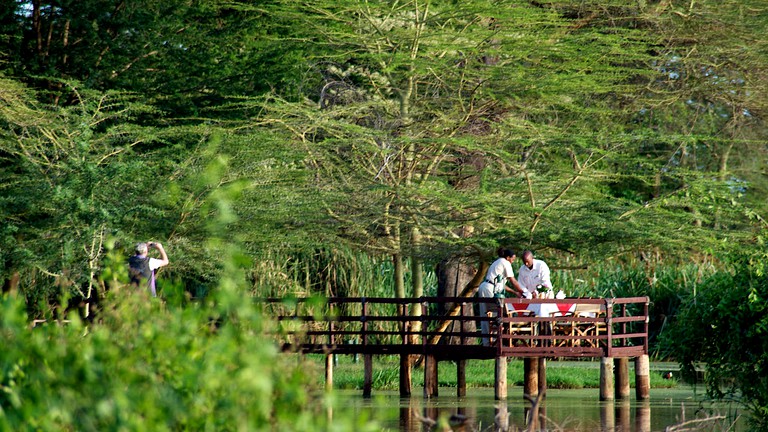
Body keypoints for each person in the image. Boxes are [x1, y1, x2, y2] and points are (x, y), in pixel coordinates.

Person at [477, 248, 524, 346]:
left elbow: (501, 284)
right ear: (508, 257)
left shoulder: (497, 262)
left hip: (485, 286)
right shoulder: (505, 263)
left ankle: (488, 342)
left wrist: (514, 292)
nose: (513, 261)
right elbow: (513, 280)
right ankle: (495, 342)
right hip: (490, 288)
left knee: (485, 315)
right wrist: (523, 292)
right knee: (494, 314)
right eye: (513, 259)